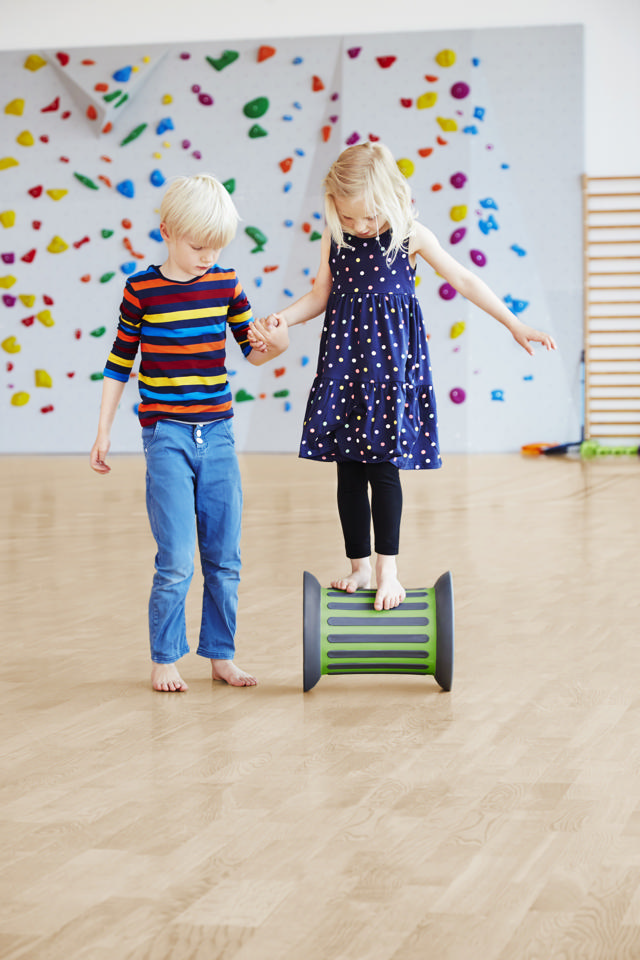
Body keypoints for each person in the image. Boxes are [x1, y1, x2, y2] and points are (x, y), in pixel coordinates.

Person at [249, 141, 556, 611]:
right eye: (348, 217)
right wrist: (283, 320)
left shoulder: (410, 236)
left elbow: (464, 280)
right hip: (345, 366)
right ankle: (359, 566)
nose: (359, 227)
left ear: (393, 199)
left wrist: (513, 322)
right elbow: (319, 296)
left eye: (367, 217)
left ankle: (388, 568)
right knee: (348, 471)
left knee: (382, 469)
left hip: (389, 372)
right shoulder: (337, 236)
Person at [90, 174, 289, 692]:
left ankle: (221, 654)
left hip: (218, 435)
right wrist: (103, 431)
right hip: (167, 437)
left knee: (225, 556)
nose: (208, 256)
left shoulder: (226, 284)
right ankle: (165, 657)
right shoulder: (141, 290)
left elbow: (254, 350)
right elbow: (118, 363)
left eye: (217, 246)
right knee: (176, 557)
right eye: (199, 245)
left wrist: (278, 344)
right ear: (168, 233)